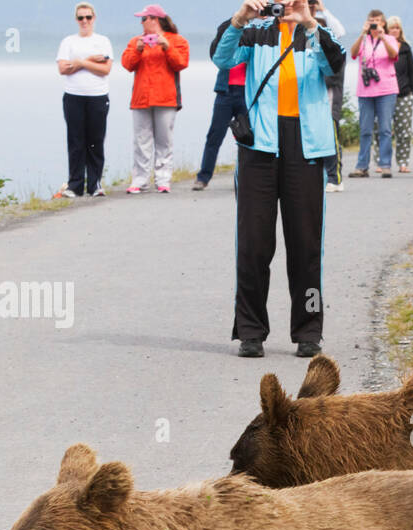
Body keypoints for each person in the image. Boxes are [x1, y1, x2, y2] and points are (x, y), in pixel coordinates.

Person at [213, 0, 345, 358]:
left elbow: (334, 67)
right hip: (260, 144)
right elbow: (222, 59)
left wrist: (310, 24)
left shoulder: (319, 32)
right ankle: (250, 331)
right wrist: (240, 19)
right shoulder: (254, 29)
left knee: (306, 246)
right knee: (253, 244)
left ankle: (309, 330)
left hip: (305, 144)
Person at [121, 4, 190, 194]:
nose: (142, 23)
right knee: (141, 141)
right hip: (141, 98)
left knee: (164, 141)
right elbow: (127, 64)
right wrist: (138, 49)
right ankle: (140, 179)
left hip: (166, 98)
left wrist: (167, 48)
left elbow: (181, 63)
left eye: (144, 19)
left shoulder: (177, 40)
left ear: (155, 20)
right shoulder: (136, 41)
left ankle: (163, 179)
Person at [56, 4, 113, 198]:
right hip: (73, 96)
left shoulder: (103, 41)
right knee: (76, 141)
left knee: (95, 141)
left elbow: (105, 69)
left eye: (88, 17)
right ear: (76, 20)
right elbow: (63, 68)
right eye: (81, 18)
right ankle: (75, 184)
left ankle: (95, 184)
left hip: (97, 96)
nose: (85, 21)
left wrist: (80, 62)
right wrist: (89, 61)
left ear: (94, 18)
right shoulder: (68, 42)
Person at [193, 17, 249, 190]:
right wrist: (239, 20)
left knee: (248, 135)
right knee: (214, 136)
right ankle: (203, 177)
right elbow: (215, 52)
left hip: (247, 92)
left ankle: (246, 177)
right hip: (225, 91)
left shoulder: (258, 33)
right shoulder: (230, 28)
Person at [350, 9, 399, 178]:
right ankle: (362, 166)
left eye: (377, 20)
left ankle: (385, 165)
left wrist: (383, 36)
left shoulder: (390, 38)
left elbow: (393, 54)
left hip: (386, 89)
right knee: (365, 130)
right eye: (372, 20)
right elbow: (353, 54)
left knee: (385, 129)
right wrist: (362, 33)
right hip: (365, 90)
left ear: (383, 23)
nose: (374, 23)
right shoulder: (364, 40)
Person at [310, 0, 348, 193]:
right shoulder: (309, 51)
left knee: (331, 141)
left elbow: (338, 30)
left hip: (330, 103)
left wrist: (323, 10)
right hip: (312, 106)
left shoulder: (335, 52)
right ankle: (321, 177)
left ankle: (335, 178)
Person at [387, 16, 413, 174]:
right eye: (392, 28)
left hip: (404, 93)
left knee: (404, 131)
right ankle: (382, 162)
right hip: (385, 94)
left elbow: (412, 71)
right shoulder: (382, 47)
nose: (394, 31)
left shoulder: (406, 48)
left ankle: (403, 162)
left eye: (397, 28)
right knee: (382, 130)